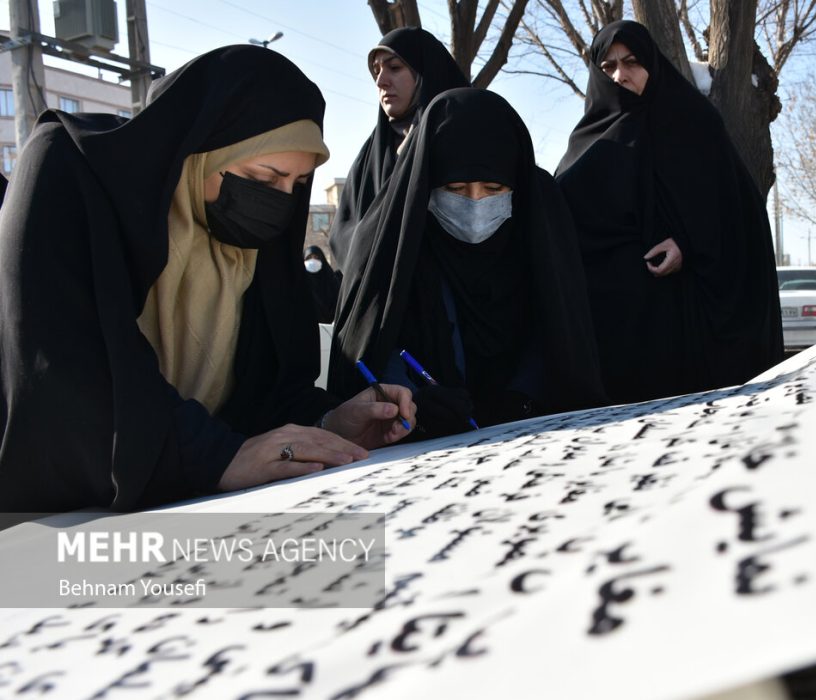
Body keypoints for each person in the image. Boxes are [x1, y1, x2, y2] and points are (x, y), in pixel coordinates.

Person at [0, 46, 414, 513]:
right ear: (196, 149)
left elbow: (260, 395)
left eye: (297, 186)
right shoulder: (67, 168)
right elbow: (64, 378)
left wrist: (328, 421)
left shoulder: (246, 242)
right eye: (264, 176)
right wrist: (216, 456)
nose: (280, 201)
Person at [328, 88, 605, 436]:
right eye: (456, 189)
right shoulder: (391, 242)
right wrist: (413, 402)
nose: (475, 203)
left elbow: (561, 330)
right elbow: (372, 344)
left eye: (493, 189)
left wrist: (525, 395)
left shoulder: (538, 225)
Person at [555, 21, 783, 405]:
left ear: (652, 64)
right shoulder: (585, 142)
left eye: (631, 62)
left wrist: (688, 243)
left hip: (684, 326)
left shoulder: (692, 121)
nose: (621, 75)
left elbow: (736, 211)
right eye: (608, 67)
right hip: (611, 334)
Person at [329, 27, 468, 271]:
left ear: (423, 73)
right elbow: (344, 239)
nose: (381, 81)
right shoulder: (369, 157)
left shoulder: (459, 138)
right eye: (376, 71)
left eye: (394, 68)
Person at [303, 245, 340, 323]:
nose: (313, 261)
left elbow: (337, 303)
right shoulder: (300, 283)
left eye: (316, 258)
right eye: (309, 258)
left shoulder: (332, 281)